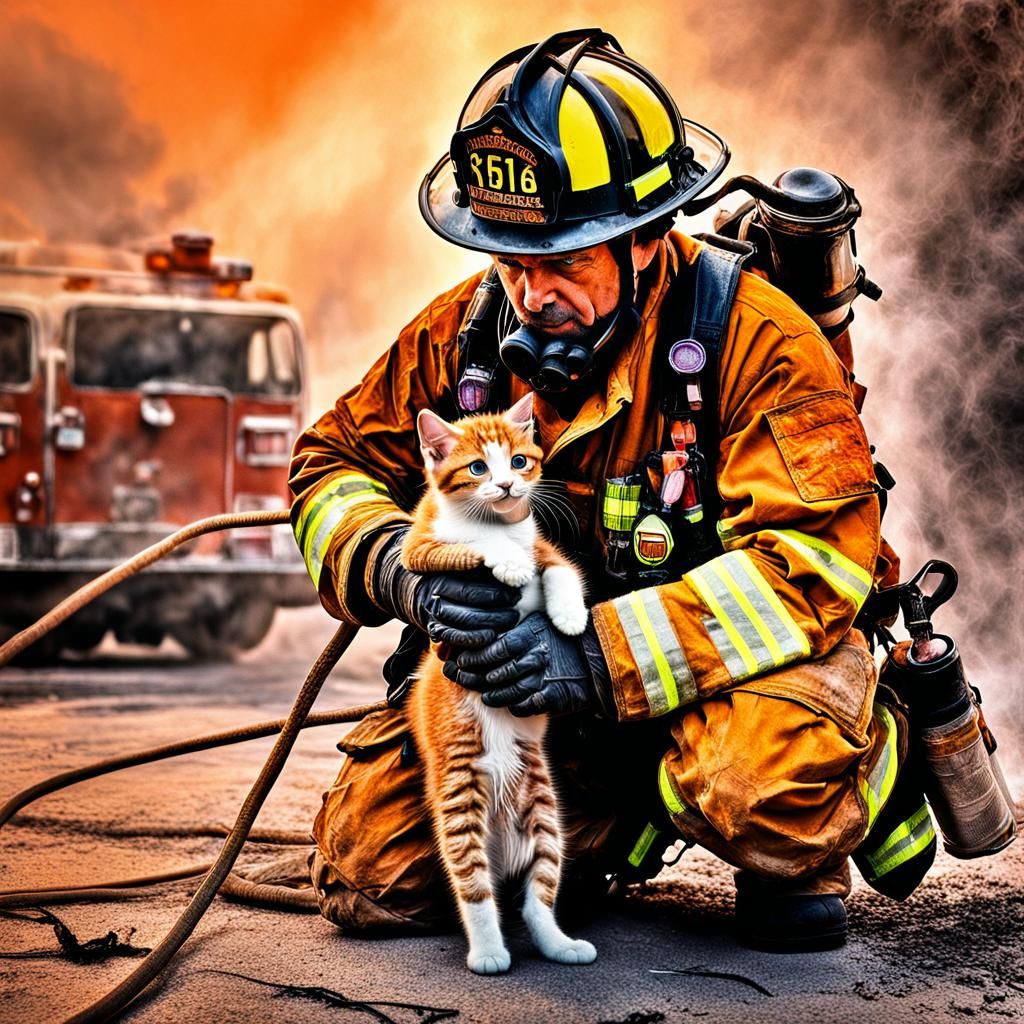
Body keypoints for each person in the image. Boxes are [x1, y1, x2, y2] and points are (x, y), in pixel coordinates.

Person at [289, 29, 934, 952]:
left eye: (564, 262)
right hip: (555, 700)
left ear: (644, 239)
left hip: (737, 681)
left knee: (758, 793)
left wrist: (595, 653)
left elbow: (813, 565)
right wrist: (403, 570)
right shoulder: (465, 335)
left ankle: (864, 755)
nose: (531, 296)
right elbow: (329, 465)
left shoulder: (760, 341)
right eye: (512, 261)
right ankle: (618, 819)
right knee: (373, 871)